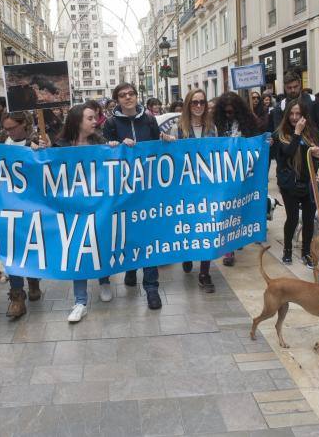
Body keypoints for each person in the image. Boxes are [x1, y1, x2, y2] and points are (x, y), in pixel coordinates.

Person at [103, 82, 166, 310]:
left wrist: (164, 141)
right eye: (123, 95)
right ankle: (131, 269)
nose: (128, 97)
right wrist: (115, 145)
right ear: (117, 100)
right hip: (122, 189)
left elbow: (156, 144)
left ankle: (151, 288)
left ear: (137, 96)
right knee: (128, 232)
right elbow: (104, 151)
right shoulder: (110, 123)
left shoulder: (149, 119)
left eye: (131, 94)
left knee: (147, 235)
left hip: (146, 187)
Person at [54, 103, 115, 322]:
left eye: (95, 118)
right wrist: (39, 151)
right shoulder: (59, 144)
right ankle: (80, 301)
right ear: (77, 120)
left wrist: (120, 147)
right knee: (77, 250)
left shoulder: (100, 142)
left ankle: (104, 279)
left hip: (98, 205)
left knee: (100, 243)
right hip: (72, 208)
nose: (95, 122)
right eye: (90, 118)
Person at [0, 111, 47, 318]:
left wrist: (41, 152)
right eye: (5, 128)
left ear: (23, 125)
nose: (9, 132)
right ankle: (17, 297)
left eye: (12, 128)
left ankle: (33, 280)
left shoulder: (36, 141)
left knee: (29, 248)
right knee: (12, 251)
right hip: (6, 205)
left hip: (32, 205)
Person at [170, 89, 218, 292]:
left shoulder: (212, 128)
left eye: (202, 102)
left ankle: (205, 273)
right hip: (186, 188)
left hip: (207, 186)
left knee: (207, 226)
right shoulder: (177, 128)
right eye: (194, 103)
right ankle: (188, 254)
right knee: (189, 225)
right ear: (188, 105)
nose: (199, 106)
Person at [274, 99, 319, 267]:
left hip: (308, 183)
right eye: (292, 114)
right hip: (290, 184)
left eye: (298, 114)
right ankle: (287, 250)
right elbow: (288, 153)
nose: (295, 117)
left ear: (304, 115)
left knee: (309, 219)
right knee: (293, 218)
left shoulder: (312, 133)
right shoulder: (281, 134)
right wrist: (297, 133)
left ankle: (306, 252)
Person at [214, 91, 260, 267]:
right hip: (223, 173)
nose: (228, 114)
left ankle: (237, 237)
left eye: (232, 111)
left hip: (243, 173)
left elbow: (255, 142)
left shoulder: (248, 123)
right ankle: (229, 250)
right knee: (228, 209)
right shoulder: (216, 123)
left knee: (240, 208)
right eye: (226, 112)